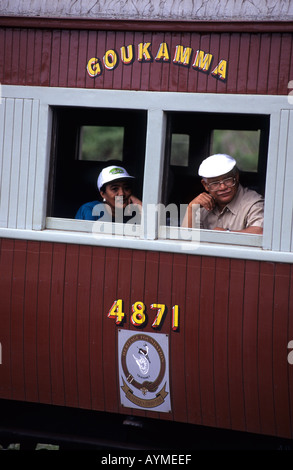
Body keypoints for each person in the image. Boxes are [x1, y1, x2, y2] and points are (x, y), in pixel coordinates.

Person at [182, 154, 264, 233]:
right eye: (215, 183)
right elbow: (186, 240)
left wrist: (226, 234)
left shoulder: (254, 203)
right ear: (205, 185)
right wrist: (191, 209)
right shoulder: (202, 204)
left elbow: (259, 233)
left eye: (227, 180)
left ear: (236, 177)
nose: (223, 187)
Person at [75, 165, 142, 222]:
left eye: (126, 188)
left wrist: (141, 206)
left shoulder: (134, 212)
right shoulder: (90, 210)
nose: (122, 193)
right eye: (115, 189)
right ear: (103, 194)